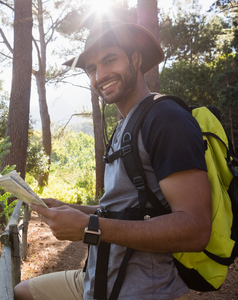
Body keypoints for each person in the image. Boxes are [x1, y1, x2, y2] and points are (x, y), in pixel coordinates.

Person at [14, 21, 212, 300]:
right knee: (22, 293)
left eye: (109, 60)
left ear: (136, 58)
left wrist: (89, 228)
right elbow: (125, 209)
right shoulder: (124, 126)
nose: (100, 75)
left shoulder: (166, 119)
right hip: (97, 279)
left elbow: (195, 230)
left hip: (140, 289)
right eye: (91, 68)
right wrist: (73, 209)